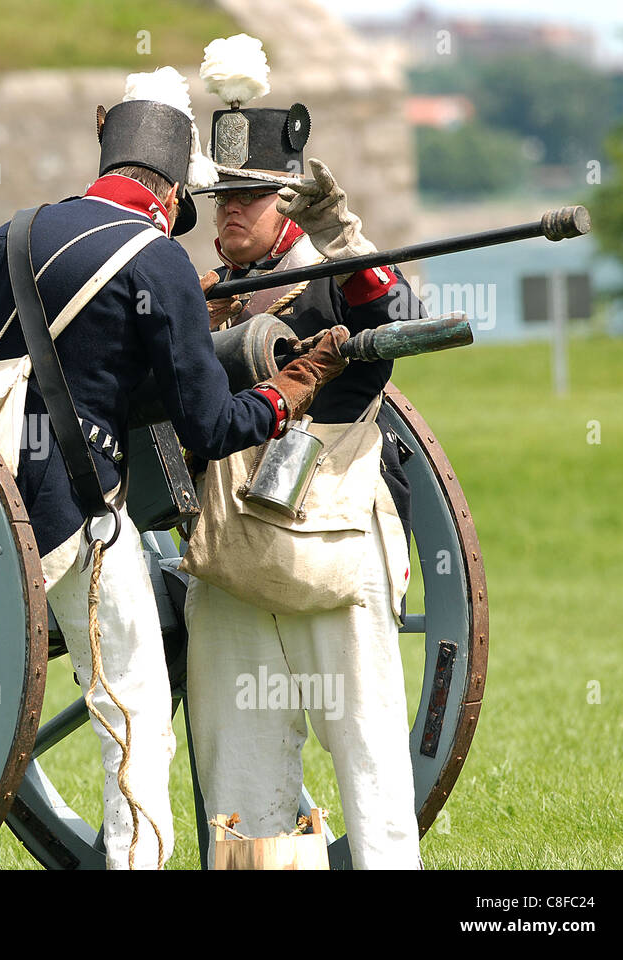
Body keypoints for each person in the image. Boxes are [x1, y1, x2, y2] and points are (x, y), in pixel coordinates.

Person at [0, 66, 351, 870]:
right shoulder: (159, 262)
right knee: (133, 711)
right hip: (75, 514)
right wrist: (287, 391)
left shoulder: (9, 236)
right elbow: (213, 426)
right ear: (173, 190)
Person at [182, 34, 422, 869]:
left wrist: (341, 231)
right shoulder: (197, 296)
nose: (233, 213)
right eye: (225, 199)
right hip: (231, 561)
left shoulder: (334, 276)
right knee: (242, 791)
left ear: (290, 202)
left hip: (332, 546)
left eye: (253, 197)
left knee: (373, 775)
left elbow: (393, 321)